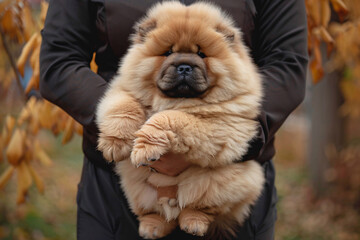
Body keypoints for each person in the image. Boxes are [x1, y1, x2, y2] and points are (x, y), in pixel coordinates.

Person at [39, 0, 308, 239]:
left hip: (229, 181)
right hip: (119, 186)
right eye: (168, 54)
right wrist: (127, 121)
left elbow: (287, 66)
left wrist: (219, 137)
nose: (184, 65)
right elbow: (60, 61)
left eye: (200, 55)